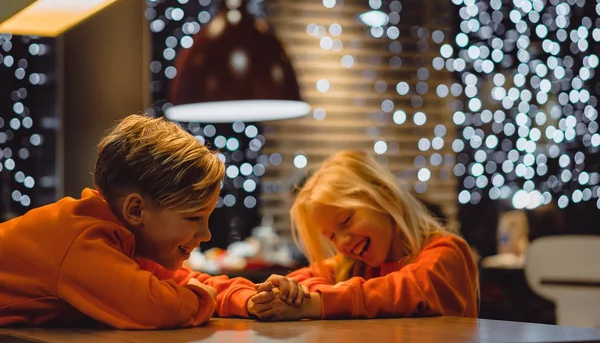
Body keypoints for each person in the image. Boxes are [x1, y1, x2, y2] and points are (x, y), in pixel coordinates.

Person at [0, 114, 307, 329]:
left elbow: (185, 284)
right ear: (136, 210)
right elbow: (152, 307)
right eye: (193, 217)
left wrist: (252, 298)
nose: (205, 234)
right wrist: (203, 299)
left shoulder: (119, 237)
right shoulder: (84, 240)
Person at [247, 150, 479, 320]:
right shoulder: (352, 265)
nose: (343, 242)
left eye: (346, 221)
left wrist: (314, 303)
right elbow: (305, 277)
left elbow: (403, 291)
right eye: (332, 237)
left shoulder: (447, 253)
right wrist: (294, 292)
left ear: (384, 195)